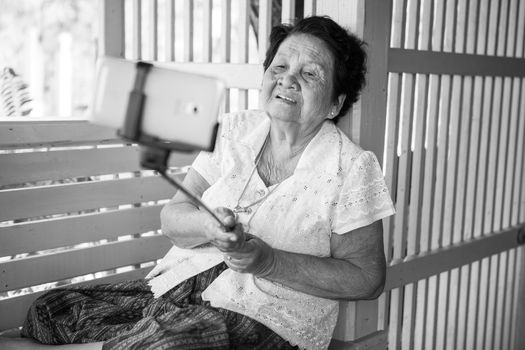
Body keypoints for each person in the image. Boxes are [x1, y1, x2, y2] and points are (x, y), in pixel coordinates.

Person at [2, 15, 394, 350]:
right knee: (51, 310)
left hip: (263, 318)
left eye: (310, 74)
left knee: (166, 344)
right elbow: (173, 217)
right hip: (179, 290)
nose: (288, 80)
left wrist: (268, 261)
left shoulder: (352, 167)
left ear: (335, 104)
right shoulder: (234, 132)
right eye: (279, 67)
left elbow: (366, 277)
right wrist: (207, 226)